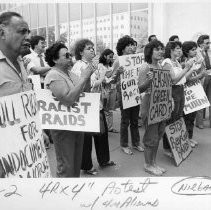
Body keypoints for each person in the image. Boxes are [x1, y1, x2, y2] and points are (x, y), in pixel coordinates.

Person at [44, 42, 94, 177]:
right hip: (63, 128)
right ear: (55, 59)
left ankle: (73, 192)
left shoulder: (69, 73)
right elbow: (67, 99)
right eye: (66, 55)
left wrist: (87, 77)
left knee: (76, 162)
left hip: (75, 124)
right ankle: (63, 195)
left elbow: (84, 92)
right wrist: (84, 77)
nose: (70, 57)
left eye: (70, 54)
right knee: (66, 165)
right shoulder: (53, 75)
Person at [72, 39, 115, 175]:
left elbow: (101, 81)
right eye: (88, 48)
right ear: (80, 52)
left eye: (92, 48)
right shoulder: (78, 67)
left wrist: (104, 78)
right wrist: (100, 79)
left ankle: (104, 160)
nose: (92, 50)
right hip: (85, 106)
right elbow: (81, 87)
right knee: (86, 138)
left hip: (97, 104)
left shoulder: (93, 65)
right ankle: (87, 166)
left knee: (102, 133)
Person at [0, 12, 32, 177]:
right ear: (2, 32)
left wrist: (37, 132)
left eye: (28, 32)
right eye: (22, 31)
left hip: (26, 152)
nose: (27, 37)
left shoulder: (21, 63)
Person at [138, 40, 166, 176]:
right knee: (151, 136)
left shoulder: (160, 66)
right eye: (157, 49)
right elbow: (139, 89)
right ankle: (148, 164)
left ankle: (153, 163)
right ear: (150, 51)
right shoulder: (145, 67)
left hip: (161, 103)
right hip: (149, 103)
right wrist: (148, 81)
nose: (160, 51)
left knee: (158, 134)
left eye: (161, 49)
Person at [162, 41, 195, 157]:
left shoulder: (176, 61)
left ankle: (176, 145)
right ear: (170, 50)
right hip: (173, 91)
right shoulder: (167, 62)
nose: (180, 50)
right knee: (171, 119)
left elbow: (183, 78)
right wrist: (186, 68)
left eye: (180, 48)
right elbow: (174, 80)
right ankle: (167, 147)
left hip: (180, 90)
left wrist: (190, 68)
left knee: (178, 118)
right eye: (177, 48)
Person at [113, 35, 144, 155]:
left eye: (132, 45)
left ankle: (136, 143)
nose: (132, 47)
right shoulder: (118, 61)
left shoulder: (137, 59)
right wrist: (117, 73)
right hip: (124, 93)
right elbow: (111, 79)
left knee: (135, 120)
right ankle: (124, 144)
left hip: (135, 92)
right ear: (122, 48)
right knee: (125, 120)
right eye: (128, 45)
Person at [182, 41, 207, 147]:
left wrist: (202, 73)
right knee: (186, 118)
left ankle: (190, 137)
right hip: (186, 93)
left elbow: (202, 73)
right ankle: (185, 138)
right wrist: (200, 75)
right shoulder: (184, 63)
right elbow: (185, 79)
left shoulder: (197, 61)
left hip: (195, 91)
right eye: (193, 50)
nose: (195, 51)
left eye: (195, 49)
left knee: (192, 117)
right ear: (187, 52)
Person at [98, 49, 118, 133]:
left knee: (109, 110)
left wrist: (114, 76)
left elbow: (113, 79)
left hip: (112, 89)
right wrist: (113, 76)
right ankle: (103, 128)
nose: (111, 58)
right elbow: (104, 80)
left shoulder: (111, 67)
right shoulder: (100, 66)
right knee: (104, 109)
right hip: (104, 91)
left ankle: (109, 127)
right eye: (110, 56)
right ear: (104, 56)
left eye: (112, 57)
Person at [195, 35, 211, 128]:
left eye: (209, 42)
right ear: (201, 44)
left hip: (210, 76)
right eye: (207, 43)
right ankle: (199, 122)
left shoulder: (209, 51)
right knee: (201, 100)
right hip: (202, 78)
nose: (209, 44)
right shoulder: (196, 52)